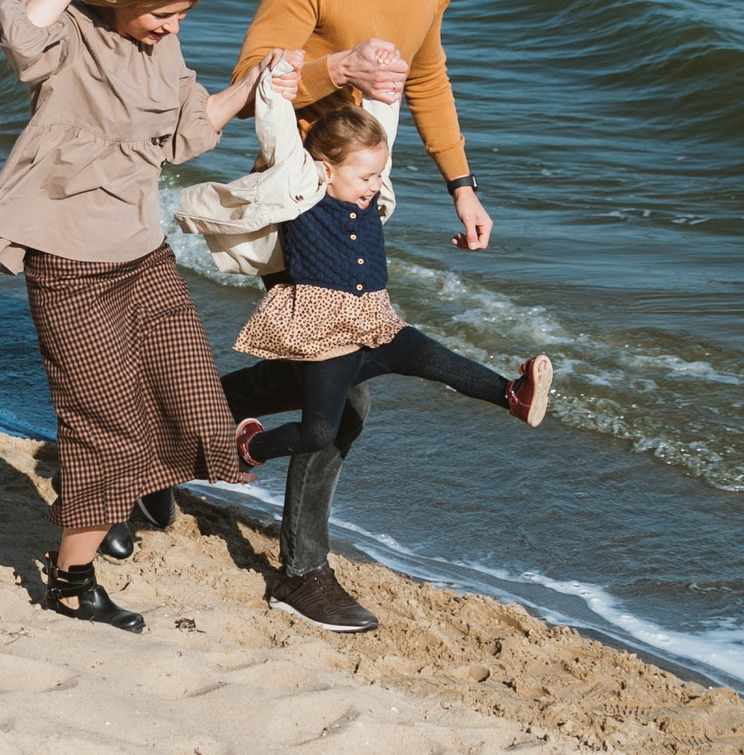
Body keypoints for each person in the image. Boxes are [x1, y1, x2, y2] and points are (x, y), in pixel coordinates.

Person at [0, 0, 298, 632]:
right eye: (161, 13)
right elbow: (21, 31)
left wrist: (252, 85)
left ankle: (111, 498)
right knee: (108, 425)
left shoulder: (163, 48)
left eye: (183, 14)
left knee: (193, 396)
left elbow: (183, 134)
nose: (172, 27)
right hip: (71, 262)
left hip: (142, 254)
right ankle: (71, 578)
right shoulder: (71, 34)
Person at [221, 0, 491, 633]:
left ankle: (182, 424)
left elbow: (428, 76)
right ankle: (301, 571)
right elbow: (247, 80)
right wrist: (336, 69)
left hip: (361, 198)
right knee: (345, 400)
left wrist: (462, 185)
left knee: (313, 383)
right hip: (300, 196)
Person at [174, 75, 550, 478]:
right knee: (318, 432)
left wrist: (385, 85)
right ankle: (250, 447)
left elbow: (382, 123)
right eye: (366, 177)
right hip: (326, 336)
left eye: (378, 175)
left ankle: (512, 395)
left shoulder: (370, 192)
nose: (375, 185)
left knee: (428, 357)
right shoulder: (304, 190)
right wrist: (276, 86)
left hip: (375, 322)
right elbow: (278, 135)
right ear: (327, 169)